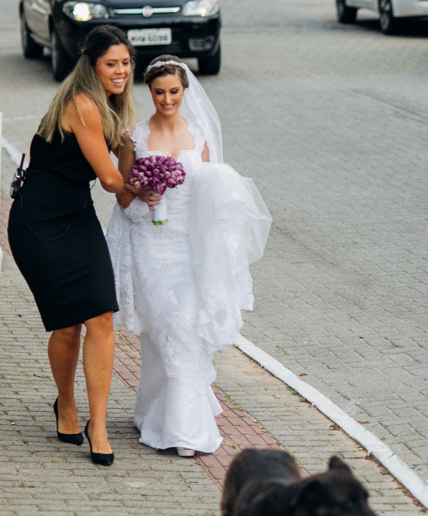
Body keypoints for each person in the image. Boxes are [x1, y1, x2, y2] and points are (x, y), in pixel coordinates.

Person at [107, 56, 271, 457]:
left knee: (190, 328)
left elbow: (211, 190)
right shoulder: (135, 136)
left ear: (185, 92)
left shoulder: (199, 135)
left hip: (191, 248)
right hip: (151, 244)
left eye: (174, 92)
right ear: (150, 91)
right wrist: (143, 195)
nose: (167, 99)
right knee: (170, 329)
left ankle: (155, 413)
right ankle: (183, 430)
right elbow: (122, 193)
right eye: (159, 92)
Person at [6, 26, 154, 466]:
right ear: (92, 65)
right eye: (112, 63)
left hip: (75, 215)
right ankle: (66, 406)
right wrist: (136, 182)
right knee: (68, 324)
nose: (122, 71)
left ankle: (100, 424)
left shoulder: (112, 105)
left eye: (126, 63)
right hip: (38, 219)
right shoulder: (83, 104)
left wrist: (143, 163)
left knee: (101, 315)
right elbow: (111, 181)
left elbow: (121, 170)